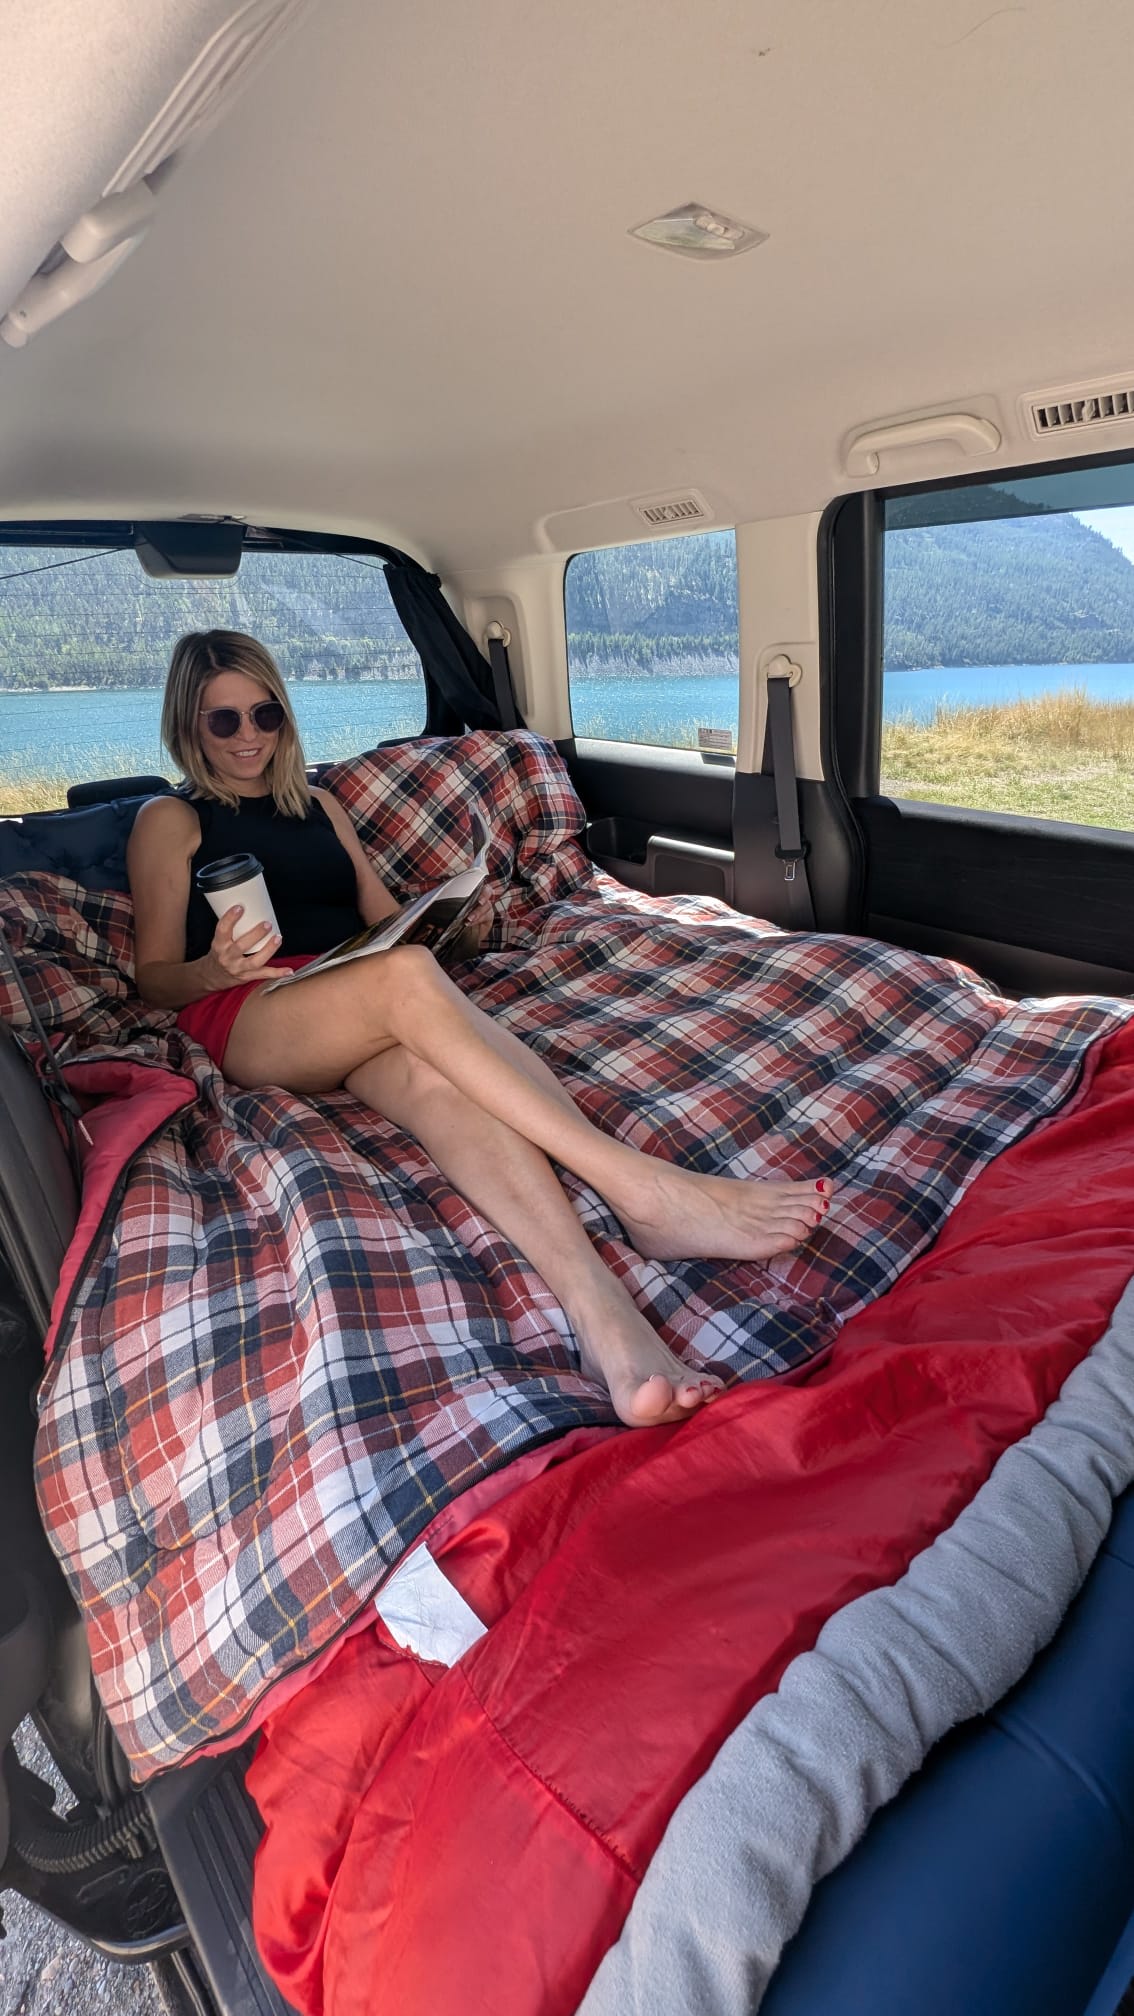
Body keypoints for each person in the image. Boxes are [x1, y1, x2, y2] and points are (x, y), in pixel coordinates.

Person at [128, 630, 832, 1429]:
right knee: (404, 979)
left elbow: (381, 921)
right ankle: (639, 1187)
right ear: (189, 725)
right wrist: (216, 971)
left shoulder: (319, 805)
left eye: (265, 713)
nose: (249, 735)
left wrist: (450, 919)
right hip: (249, 1009)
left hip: (354, 991)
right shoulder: (170, 818)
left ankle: (610, 1329)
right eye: (224, 722)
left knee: (439, 1081)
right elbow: (152, 977)